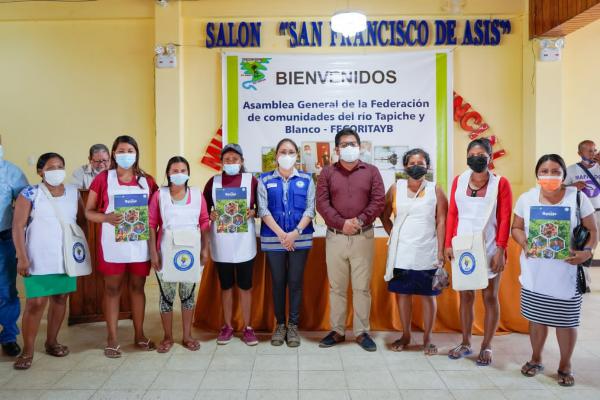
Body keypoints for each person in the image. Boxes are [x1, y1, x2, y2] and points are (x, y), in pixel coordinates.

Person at [512, 154, 597, 387]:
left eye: (555, 171)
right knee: (536, 318)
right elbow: (516, 227)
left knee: (566, 321)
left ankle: (565, 365)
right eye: (545, 170)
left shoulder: (577, 197)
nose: (550, 175)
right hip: (535, 272)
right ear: (537, 173)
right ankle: (536, 358)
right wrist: (525, 243)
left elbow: (592, 229)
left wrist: (587, 252)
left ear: (563, 174)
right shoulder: (527, 198)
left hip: (566, 272)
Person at [85, 135, 158, 358]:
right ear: (114, 154)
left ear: (136, 153)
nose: (125, 155)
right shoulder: (103, 179)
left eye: (130, 150)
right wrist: (105, 218)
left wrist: (154, 249)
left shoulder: (147, 181)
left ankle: (139, 334)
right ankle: (112, 338)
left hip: (138, 245)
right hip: (113, 245)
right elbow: (89, 212)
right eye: (121, 151)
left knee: (138, 288)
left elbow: (154, 216)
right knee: (112, 289)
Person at [12, 153, 85, 369]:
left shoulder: (73, 193)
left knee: (61, 298)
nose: (57, 170)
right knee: (35, 303)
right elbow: (17, 226)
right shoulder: (30, 193)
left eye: (60, 166)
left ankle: (52, 341)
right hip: (37, 257)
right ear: (40, 171)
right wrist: (22, 257)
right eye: (51, 167)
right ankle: (27, 350)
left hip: (65, 258)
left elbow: (80, 221)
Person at [445, 138, 513, 366]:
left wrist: (501, 248)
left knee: (490, 296)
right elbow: (453, 214)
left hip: (490, 246)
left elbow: (505, 218)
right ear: (466, 157)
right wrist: (448, 243)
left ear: (490, 157)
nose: (476, 157)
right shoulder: (459, 180)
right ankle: (465, 342)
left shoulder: (500, 183)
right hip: (463, 246)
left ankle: (487, 345)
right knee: (466, 296)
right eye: (472, 154)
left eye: (481, 154)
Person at [316, 128, 385, 352]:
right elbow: (322, 203)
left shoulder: (372, 172)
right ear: (336, 149)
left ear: (360, 146)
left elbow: (378, 201)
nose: (349, 148)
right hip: (335, 238)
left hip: (363, 236)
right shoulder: (327, 173)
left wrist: (359, 220)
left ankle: (361, 331)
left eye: (352, 144)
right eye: (344, 145)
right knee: (337, 288)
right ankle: (337, 330)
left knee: (362, 288)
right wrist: (340, 223)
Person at [381, 148, 448, 355]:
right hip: (401, 254)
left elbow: (441, 220)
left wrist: (440, 251)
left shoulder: (435, 189)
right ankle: (406, 334)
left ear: (427, 166)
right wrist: (395, 236)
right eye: (411, 163)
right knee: (403, 295)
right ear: (404, 166)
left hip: (427, 251)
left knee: (428, 296)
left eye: (420, 162)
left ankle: (428, 338)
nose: (416, 166)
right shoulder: (396, 187)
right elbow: (384, 215)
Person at [149, 156, 210, 353]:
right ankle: (167, 336)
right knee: (166, 296)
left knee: (187, 295)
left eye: (183, 170)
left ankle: (187, 335)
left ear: (188, 173)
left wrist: (205, 248)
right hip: (165, 251)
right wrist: (153, 252)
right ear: (168, 173)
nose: (179, 174)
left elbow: (204, 222)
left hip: (190, 252)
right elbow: (151, 224)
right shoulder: (160, 195)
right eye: (175, 171)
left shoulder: (197, 194)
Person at [258, 138, 315, 347]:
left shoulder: (307, 180)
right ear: (276, 156)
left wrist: (295, 233)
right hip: (275, 239)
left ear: (297, 155)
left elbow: (311, 209)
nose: (287, 155)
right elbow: (263, 210)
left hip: (299, 239)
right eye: (283, 151)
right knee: (278, 282)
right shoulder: (263, 180)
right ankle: (280, 324)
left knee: (296, 283)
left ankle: (293, 326)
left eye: (291, 151)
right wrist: (283, 234)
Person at [203, 143, 259, 346]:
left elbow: (260, 208)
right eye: (227, 159)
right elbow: (205, 209)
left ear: (242, 161)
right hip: (222, 242)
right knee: (226, 286)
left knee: (245, 286)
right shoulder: (213, 182)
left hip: (244, 242)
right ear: (221, 162)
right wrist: (211, 214)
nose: (231, 163)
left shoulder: (251, 180)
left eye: (235, 159)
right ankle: (227, 326)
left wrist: (253, 212)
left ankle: (248, 327)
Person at [0, 140, 28, 357]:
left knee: (6, 289)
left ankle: (9, 336)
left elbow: (25, 201)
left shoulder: (11, 172)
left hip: (3, 239)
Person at [564, 140, 600, 258]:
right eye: (589, 151)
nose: (593, 153)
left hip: (599, 211)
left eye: (594, 150)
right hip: (581, 214)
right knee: (581, 244)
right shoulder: (571, 170)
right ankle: (580, 271)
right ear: (579, 153)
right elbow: (560, 189)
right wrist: (573, 186)